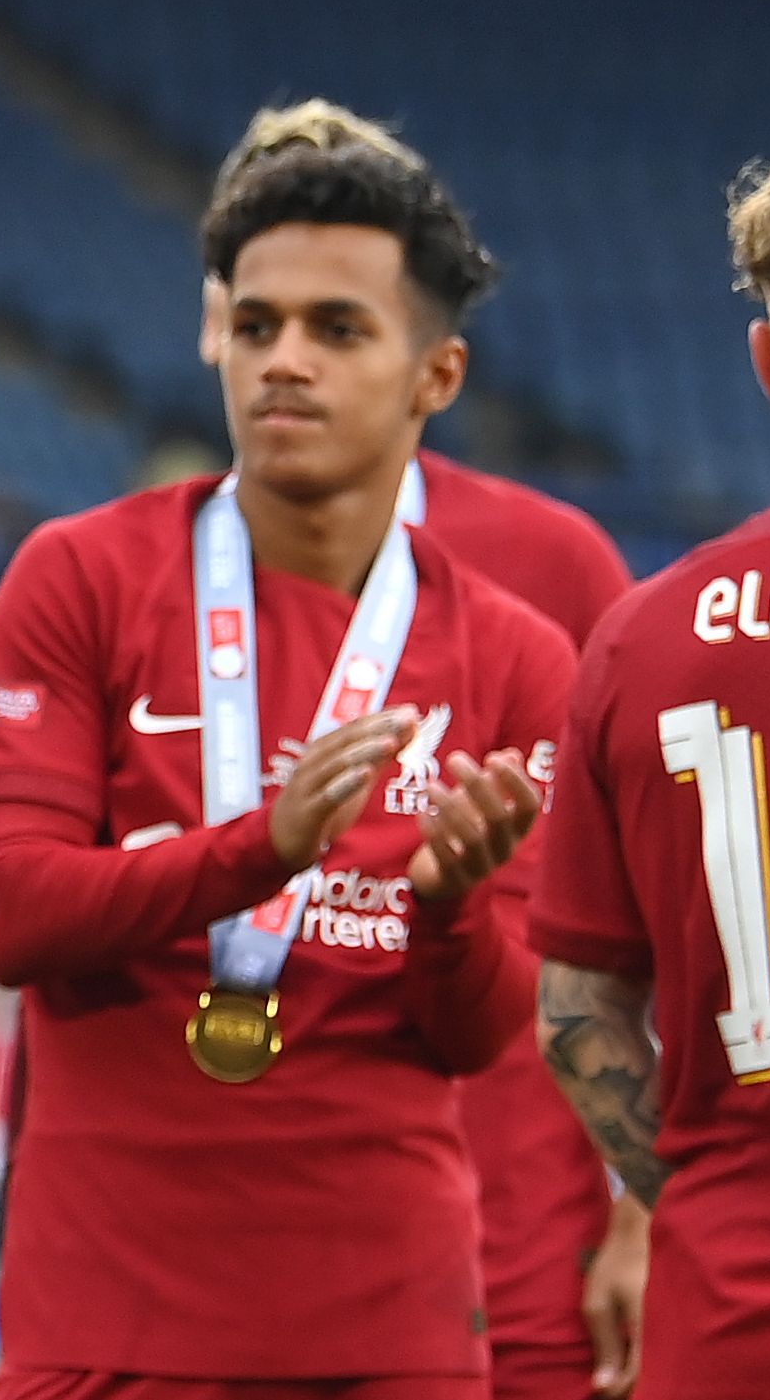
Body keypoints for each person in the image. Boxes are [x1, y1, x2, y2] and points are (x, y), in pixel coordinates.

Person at [0, 134, 565, 1398]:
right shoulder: (78, 578)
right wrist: (260, 849)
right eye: (255, 325)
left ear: (436, 374)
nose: (283, 358)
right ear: (215, 341)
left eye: (337, 329)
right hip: (106, 1325)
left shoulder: (513, 656)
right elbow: (9, 916)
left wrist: (448, 908)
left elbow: (480, 1035)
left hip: (386, 1336)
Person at [206, 101, 646, 1400]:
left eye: (341, 309)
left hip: (520, 1240)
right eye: (258, 302)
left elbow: (651, 910)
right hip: (228, 1249)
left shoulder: (552, 563)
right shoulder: (134, 576)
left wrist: (644, 1202)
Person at [532, 163, 770, 1400]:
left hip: (729, 1310)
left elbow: (576, 1014)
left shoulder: (645, 638)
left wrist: (703, 1201)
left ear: (766, 362)